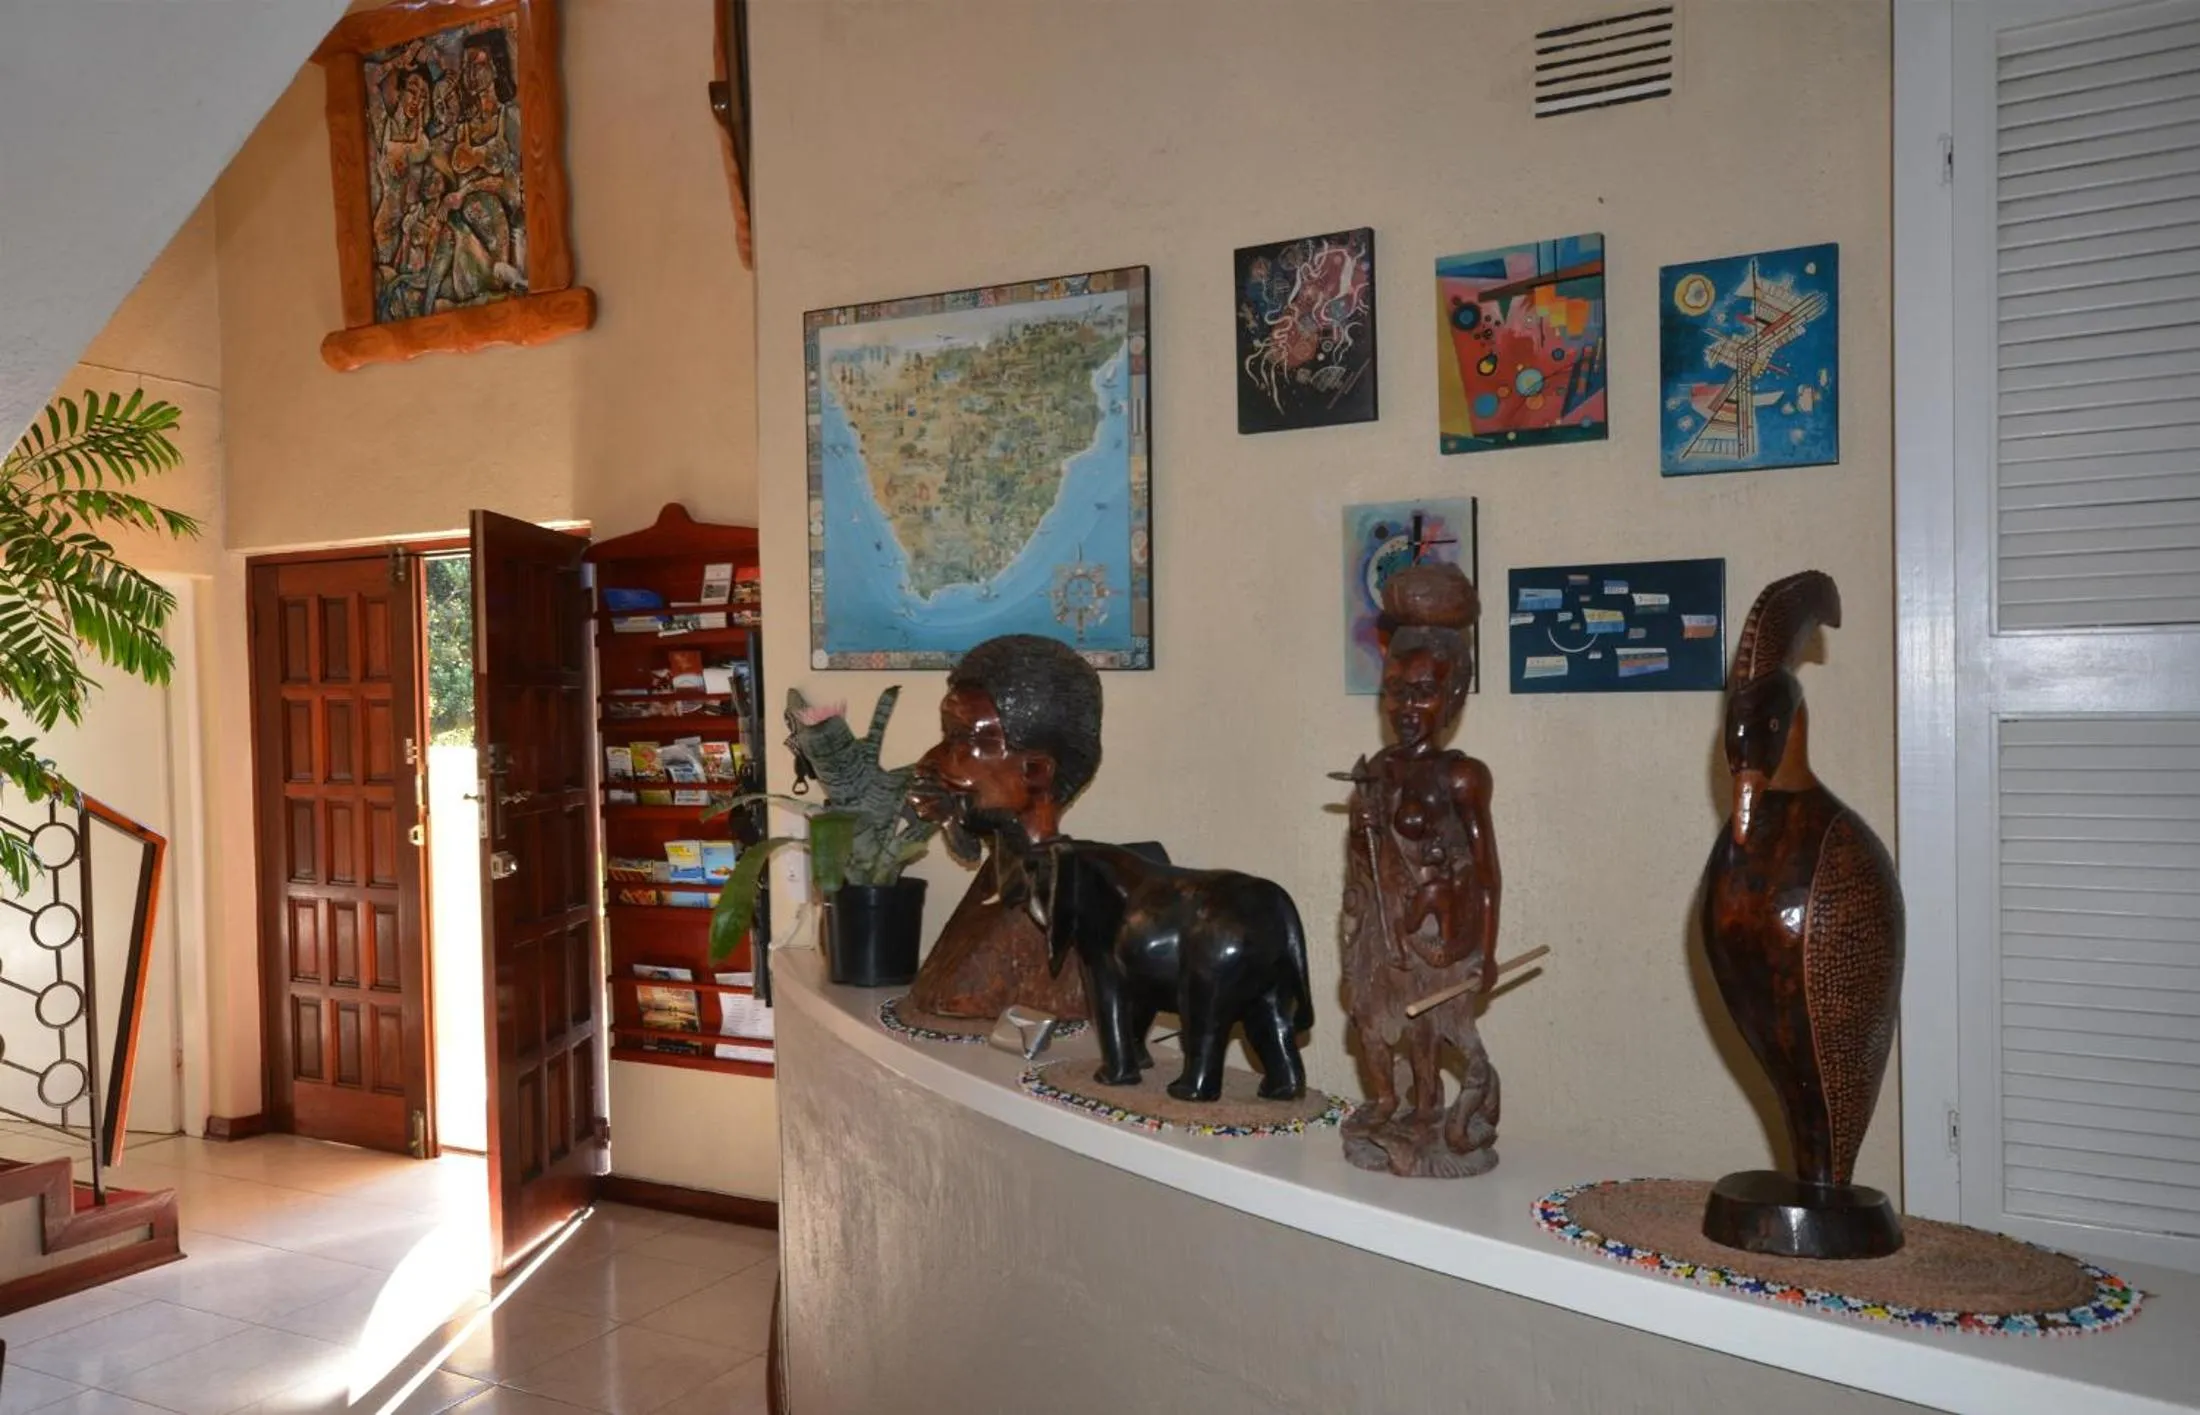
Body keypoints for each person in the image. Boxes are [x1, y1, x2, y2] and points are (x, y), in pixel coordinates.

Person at [1339, 562, 1503, 1177]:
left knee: (1429, 1030)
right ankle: (1388, 1101)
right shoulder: (1378, 767)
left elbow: (1486, 875)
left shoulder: (1461, 775)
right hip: (1382, 934)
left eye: (1424, 691)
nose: (1406, 707)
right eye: (1395, 690)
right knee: (1373, 1022)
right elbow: (1361, 865)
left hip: (1437, 940)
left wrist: (1483, 951)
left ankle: (1432, 1110)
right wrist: (1361, 832)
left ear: (1455, 696)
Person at [905, 634, 1101, 1019]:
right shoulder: (995, 882)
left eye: (965, 739)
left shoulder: (1056, 906)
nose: (928, 762)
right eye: (946, 737)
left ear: (1037, 770)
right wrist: (952, 820)